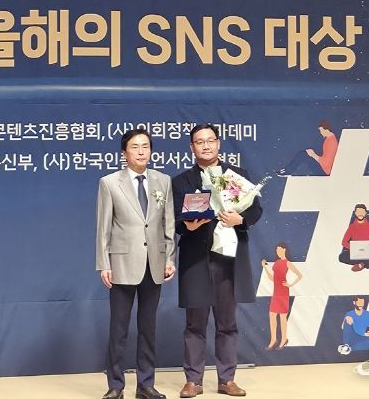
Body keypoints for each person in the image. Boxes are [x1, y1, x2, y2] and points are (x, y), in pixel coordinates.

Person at [173, 124, 263, 398]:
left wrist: (240, 219)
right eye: (199, 142)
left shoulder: (238, 176)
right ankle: (193, 380)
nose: (206, 146)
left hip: (228, 259)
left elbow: (256, 209)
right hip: (196, 259)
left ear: (219, 143)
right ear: (192, 147)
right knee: (194, 324)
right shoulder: (182, 181)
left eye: (210, 140)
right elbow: (174, 218)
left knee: (227, 322)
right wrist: (185, 226)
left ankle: (227, 379)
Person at [96, 128, 176, 399]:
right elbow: (103, 227)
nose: (141, 152)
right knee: (118, 329)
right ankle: (115, 385)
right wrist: (104, 263)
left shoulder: (163, 181)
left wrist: (169, 257)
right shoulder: (109, 183)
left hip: (154, 263)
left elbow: (168, 223)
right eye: (135, 147)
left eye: (145, 146)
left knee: (148, 329)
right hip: (121, 264)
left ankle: (146, 384)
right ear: (124, 153)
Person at [261, 242, 302, 349]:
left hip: (283, 293)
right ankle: (273, 339)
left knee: (282, 317)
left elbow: (299, 275)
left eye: (279, 249)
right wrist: (264, 267)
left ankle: (284, 339)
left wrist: (290, 284)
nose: (277, 252)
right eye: (277, 250)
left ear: (284, 250)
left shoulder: (287, 263)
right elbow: (273, 279)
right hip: (276, 293)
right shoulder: (277, 263)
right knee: (272, 315)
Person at [338, 204, 369, 271]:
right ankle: (368, 264)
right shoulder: (352, 227)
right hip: (355, 252)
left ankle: (361, 265)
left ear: (365, 213)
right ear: (355, 213)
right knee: (341, 257)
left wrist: (367, 248)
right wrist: (354, 248)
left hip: (367, 252)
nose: (360, 214)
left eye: (362, 212)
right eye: (358, 212)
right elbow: (344, 242)